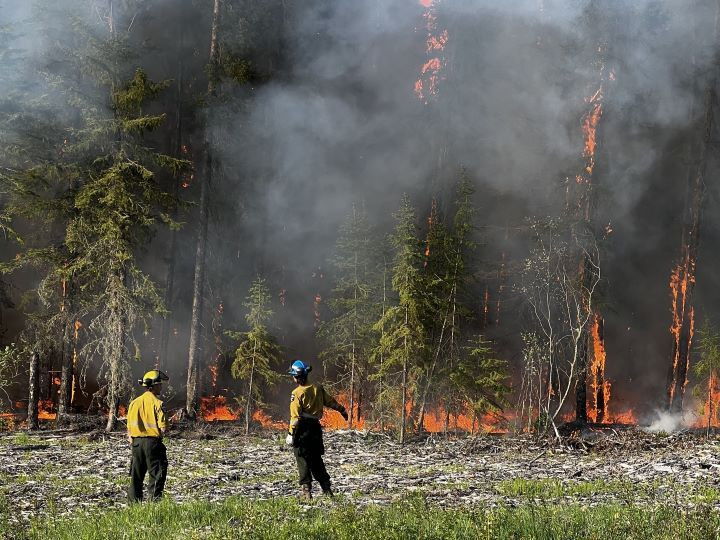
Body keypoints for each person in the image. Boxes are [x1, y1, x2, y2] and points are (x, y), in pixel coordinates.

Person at [286, 360, 348, 500]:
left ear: (297, 377)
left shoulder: (296, 393)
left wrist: (291, 433)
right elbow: (330, 401)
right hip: (315, 429)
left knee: (302, 458)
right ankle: (327, 489)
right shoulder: (317, 388)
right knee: (316, 459)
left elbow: (295, 417)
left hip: (302, 430)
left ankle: (306, 492)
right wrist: (342, 410)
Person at [127, 369, 169, 503]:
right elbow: (163, 429)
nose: (161, 387)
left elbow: (128, 429)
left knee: (136, 476)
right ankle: (154, 505)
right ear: (153, 386)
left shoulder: (134, 403)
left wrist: (135, 441)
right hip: (152, 443)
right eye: (159, 384)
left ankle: (133, 505)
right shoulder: (158, 403)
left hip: (136, 444)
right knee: (157, 475)